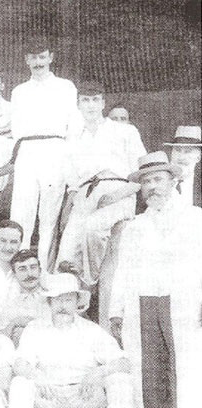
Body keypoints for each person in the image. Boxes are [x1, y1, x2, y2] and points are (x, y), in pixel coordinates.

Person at [109, 151, 202, 408]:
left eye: (158, 179)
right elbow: (123, 270)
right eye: (146, 181)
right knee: (149, 374)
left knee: (189, 370)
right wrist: (116, 310)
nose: (152, 187)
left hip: (186, 303)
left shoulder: (195, 219)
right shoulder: (135, 226)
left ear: (173, 180)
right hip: (144, 302)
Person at [5, 273, 138, 408]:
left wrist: (99, 372)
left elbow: (124, 363)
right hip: (48, 401)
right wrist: (36, 375)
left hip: (85, 399)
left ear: (77, 302)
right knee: (20, 384)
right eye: (57, 299)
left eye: (68, 299)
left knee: (120, 380)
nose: (62, 305)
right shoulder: (35, 328)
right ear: (49, 302)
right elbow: (19, 364)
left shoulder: (91, 330)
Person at [56, 81, 145, 287]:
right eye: (85, 100)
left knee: (93, 228)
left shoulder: (125, 131)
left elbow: (140, 176)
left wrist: (116, 196)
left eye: (95, 100)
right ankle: (74, 305)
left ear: (103, 103)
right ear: (78, 104)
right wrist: (70, 206)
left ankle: (90, 282)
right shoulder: (74, 137)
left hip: (118, 192)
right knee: (65, 256)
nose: (90, 105)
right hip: (85, 194)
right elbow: (73, 182)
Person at [10, 37, 78, 269]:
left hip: (55, 150)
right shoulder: (19, 91)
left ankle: (44, 271)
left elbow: (73, 126)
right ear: (26, 60)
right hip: (27, 151)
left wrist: (69, 163)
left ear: (51, 57)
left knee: (48, 218)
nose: (38, 62)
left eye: (42, 57)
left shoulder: (66, 87)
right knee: (21, 214)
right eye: (33, 57)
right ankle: (20, 269)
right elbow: (16, 129)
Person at [0, 249, 49, 347]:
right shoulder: (10, 303)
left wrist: (28, 333)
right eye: (22, 269)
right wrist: (14, 323)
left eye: (33, 267)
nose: (29, 274)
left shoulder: (52, 298)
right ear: (15, 274)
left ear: (40, 270)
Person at [164, 125, 201, 207]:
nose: (181, 157)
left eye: (187, 151)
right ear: (171, 153)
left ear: (198, 157)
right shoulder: (160, 181)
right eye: (177, 150)